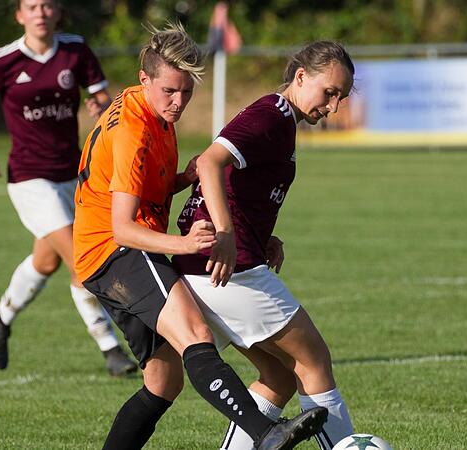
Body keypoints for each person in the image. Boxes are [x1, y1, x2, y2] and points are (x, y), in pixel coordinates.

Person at [73, 22, 327, 450]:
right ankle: (266, 434)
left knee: (163, 383)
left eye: (186, 92)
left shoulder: (146, 110)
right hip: (115, 249)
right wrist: (186, 244)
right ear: (144, 79)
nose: (178, 102)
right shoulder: (134, 132)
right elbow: (122, 226)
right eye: (170, 91)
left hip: (106, 250)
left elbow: (140, 187)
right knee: (195, 333)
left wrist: (181, 179)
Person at [172, 41, 356, 450]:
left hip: (206, 268)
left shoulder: (281, 119)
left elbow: (239, 184)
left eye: (341, 97)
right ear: (302, 76)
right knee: (314, 362)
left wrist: (259, 234)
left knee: (277, 377)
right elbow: (209, 162)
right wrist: (225, 232)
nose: (334, 107)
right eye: (330, 93)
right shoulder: (272, 114)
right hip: (226, 270)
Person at [0, 0, 137, 376]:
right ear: (19, 15)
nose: (39, 12)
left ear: (58, 12)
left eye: (46, 5)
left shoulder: (75, 50)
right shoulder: (2, 60)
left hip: (72, 174)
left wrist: (100, 107)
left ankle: (1, 316)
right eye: (31, 6)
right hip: (28, 178)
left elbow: (104, 101)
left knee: (46, 260)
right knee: (81, 259)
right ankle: (111, 349)